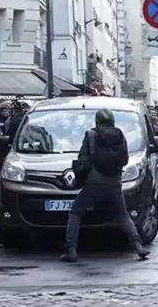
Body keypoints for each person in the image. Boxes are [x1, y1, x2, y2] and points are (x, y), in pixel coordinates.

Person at [61, 109, 150, 262]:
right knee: (123, 215)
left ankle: (71, 249)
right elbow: (125, 159)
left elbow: (83, 158)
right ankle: (138, 246)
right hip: (114, 182)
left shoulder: (91, 135)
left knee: (76, 212)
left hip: (94, 182)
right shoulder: (120, 135)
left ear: (97, 121)